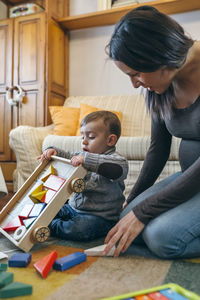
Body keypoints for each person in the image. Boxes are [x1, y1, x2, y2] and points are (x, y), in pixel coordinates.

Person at [103, 5, 200, 259]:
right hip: (190, 176)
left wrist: (145, 211)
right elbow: (158, 149)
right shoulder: (160, 87)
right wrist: (134, 200)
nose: (135, 84)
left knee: (161, 237)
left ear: (158, 58)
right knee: (125, 218)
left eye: (135, 74)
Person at [38, 110, 128, 242]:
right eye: (82, 137)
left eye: (91, 137)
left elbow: (119, 168)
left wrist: (86, 160)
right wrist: (54, 151)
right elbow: (67, 155)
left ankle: (49, 226)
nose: (84, 142)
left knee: (80, 230)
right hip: (73, 207)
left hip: (100, 216)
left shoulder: (116, 160)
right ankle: (45, 221)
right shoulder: (81, 154)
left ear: (110, 140)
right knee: (43, 207)